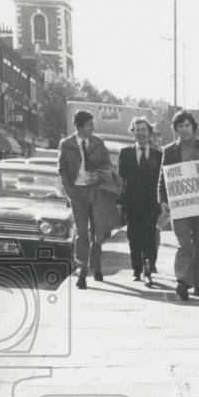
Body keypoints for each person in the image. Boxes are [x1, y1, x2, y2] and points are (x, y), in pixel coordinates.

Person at [158, 109, 199, 301]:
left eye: (187, 125)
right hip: (180, 204)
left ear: (193, 127)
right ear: (176, 129)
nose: (184, 129)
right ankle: (182, 281)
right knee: (184, 243)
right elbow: (163, 178)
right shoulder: (169, 150)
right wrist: (162, 200)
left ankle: (198, 283)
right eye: (180, 126)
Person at [58, 110, 112, 289]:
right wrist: (69, 190)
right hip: (77, 193)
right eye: (90, 124)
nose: (93, 127)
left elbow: (107, 165)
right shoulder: (66, 144)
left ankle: (96, 266)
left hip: (95, 191)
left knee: (98, 230)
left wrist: (98, 177)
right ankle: (82, 270)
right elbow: (62, 169)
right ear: (80, 127)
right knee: (82, 231)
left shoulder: (98, 143)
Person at [118, 117, 162, 286]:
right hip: (132, 203)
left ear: (149, 132)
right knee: (133, 238)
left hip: (151, 204)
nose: (141, 133)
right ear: (133, 132)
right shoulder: (126, 153)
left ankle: (148, 270)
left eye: (144, 130)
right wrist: (119, 203)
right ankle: (137, 269)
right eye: (138, 130)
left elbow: (162, 180)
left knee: (149, 238)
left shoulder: (159, 155)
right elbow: (121, 179)